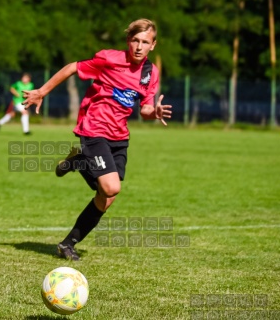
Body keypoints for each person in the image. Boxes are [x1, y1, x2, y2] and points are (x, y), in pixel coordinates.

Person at [23, 19, 172, 261]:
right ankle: (81, 159)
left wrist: (153, 111)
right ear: (128, 41)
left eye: (145, 42)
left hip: (119, 136)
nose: (138, 46)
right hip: (94, 128)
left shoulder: (150, 73)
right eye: (135, 40)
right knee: (112, 187)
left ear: (153, 45)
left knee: (107, 197)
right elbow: (73, 67)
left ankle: (67, 243)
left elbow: (144, 108)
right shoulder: (109, 59)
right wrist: (42, 91)